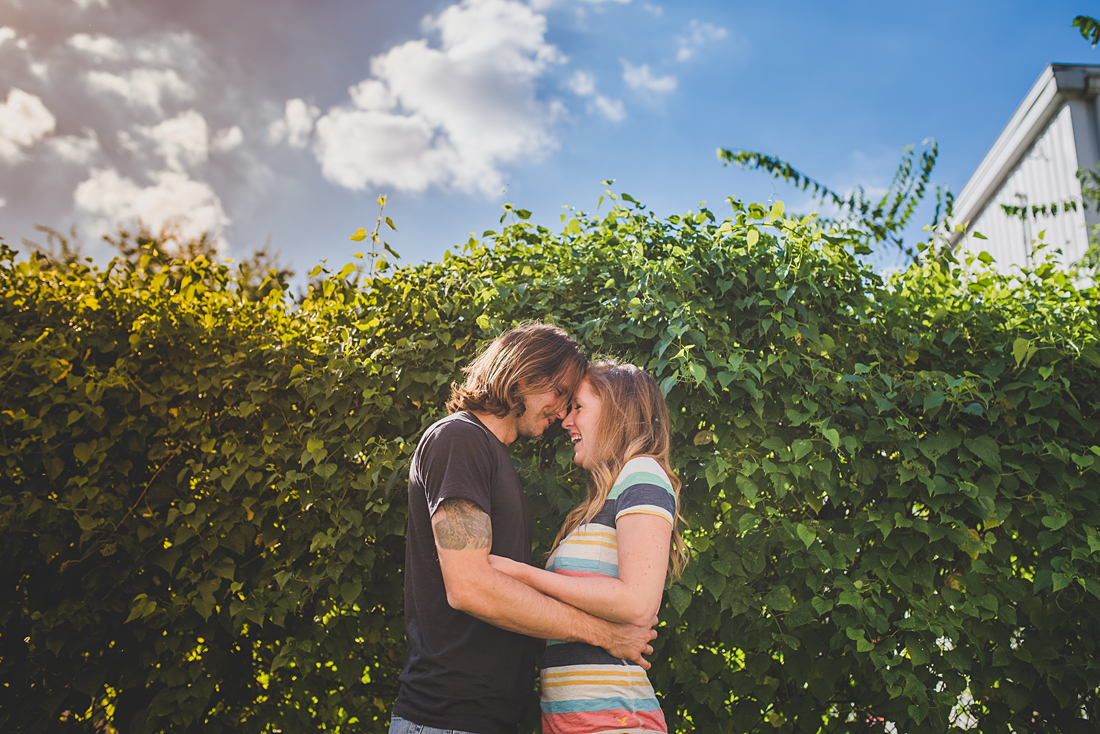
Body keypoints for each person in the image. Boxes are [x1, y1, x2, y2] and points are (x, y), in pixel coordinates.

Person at [390, 325, 660, 734]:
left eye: (572, 403)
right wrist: (604, 634)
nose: (562, 414)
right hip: (447, 717)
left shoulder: (493, 457)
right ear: (523, 373)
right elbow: (470, 587)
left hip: (487, 719)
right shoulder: (460, 440)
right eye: (560, 393)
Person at [488, 359, 687, 734]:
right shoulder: (600, 502)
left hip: (615, 721)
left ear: (615, 411)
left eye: (578, 407)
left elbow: (638, 602)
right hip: (573, 721)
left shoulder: (642, 472)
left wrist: (521, 575)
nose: (566, 421)